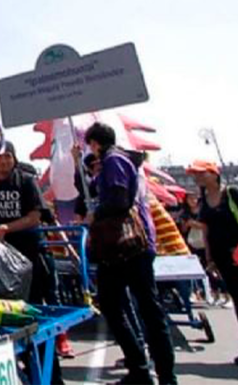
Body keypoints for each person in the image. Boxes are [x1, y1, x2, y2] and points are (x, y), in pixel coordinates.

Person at [84, 122, 175, 385]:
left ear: (95, 143)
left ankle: (163, 376)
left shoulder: (113, 160)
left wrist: (96, 214)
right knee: (118, 306)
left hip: (128, 247)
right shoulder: (118, 160)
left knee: (147, 311)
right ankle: (141, 370)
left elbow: (119, 200)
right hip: (119, 250)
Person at [0, 141, 65, 380]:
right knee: (1, 322)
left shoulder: (26, 181)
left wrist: (6, 228)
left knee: (34, 319)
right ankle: (20, 373)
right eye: (0, 157)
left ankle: (50, 377)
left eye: (8, 156)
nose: (4, 161)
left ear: (14, 158)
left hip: (28, 260)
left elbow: (34, 217)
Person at [186, 160, 238, 365]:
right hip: (221, 257)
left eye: (201, 173)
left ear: (214, 174)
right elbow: (206, 230)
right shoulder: (204, 200)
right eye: (195, 174)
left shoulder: (231, 193)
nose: (197, 177)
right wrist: (209, 258)